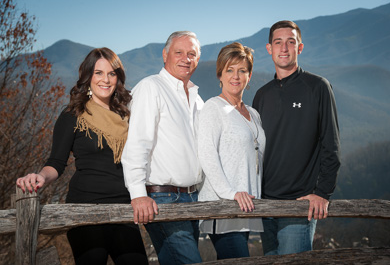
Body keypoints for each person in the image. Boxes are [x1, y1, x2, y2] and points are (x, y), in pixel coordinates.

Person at [16, 48, 148, 265]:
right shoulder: (72, 116)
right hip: (85, 210)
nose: (105, 80)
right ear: (88, 76)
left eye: (112, 73)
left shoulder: (128, 115)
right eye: (98, 73)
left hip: (124, 209)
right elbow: (56, 163)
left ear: (118, 78)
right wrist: (40, 176)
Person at [252, 20, 341, 255]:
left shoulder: (317, 87)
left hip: (300, 205)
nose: (284, 48)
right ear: (269, 48)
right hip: (265, 205)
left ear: (299, 47)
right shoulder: (262, 95)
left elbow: (330, 144)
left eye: (290, 42)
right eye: (278, 42)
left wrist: (323, 192)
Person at [121, 31, 203, 265]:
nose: (185, 58)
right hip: (163, 198)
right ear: (165, 54)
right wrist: (138, 195)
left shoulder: (197, 98)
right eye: (179, 52)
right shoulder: (151, 88)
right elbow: (137, 143)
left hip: (193, 197)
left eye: (192, 54)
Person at [197, 42, 266, 260]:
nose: (235, 76)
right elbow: (207, 155)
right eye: (229, 70)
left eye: (242, 70)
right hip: (224, 207)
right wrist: (230, 193)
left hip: (246, 207)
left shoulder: (253, 114)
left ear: (249, 75)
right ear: (220, 75)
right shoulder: (213, 108)